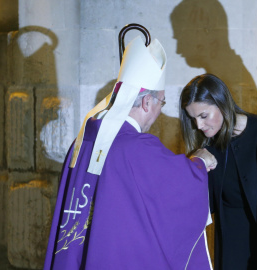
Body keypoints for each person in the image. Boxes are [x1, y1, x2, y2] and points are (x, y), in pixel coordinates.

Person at [44, 36, 216, 269]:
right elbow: (179, 184)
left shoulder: (83, 140)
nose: (159, 111)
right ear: (147, 102)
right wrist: (198, 161)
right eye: (161, 103)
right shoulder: (137, 147)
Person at [179, 73, 257, 270]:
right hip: (232, 253)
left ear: (222, 103)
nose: (199, 126)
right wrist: (194, 165)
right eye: (193, 119)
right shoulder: (207, 150)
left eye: (204, 116)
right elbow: (197, 208)